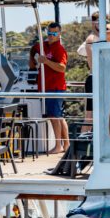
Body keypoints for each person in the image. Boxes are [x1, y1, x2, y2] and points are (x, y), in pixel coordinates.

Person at [29, 23, 69, 154]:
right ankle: (66, 144)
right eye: (50, 33)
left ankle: (58, 145)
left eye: (54, 33)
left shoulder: (60, 49)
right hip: (46, 86)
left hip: (55, 86)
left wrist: (46, 61)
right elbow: (33, 49)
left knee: (55, 116)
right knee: (58, 116)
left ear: (59, 34)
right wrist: (32, 63)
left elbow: (62, 68)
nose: (51, 36)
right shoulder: (42, 46)